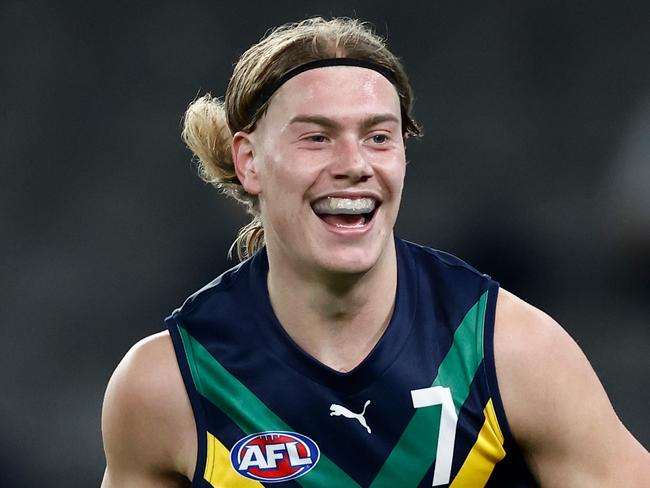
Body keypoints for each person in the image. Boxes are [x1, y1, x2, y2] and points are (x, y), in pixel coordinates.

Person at [100, 17, 650, 488]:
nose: (354, 163)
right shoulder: (170, 385)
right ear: (249, 161)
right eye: (316, 137)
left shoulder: (508, 351)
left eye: (378, 137)